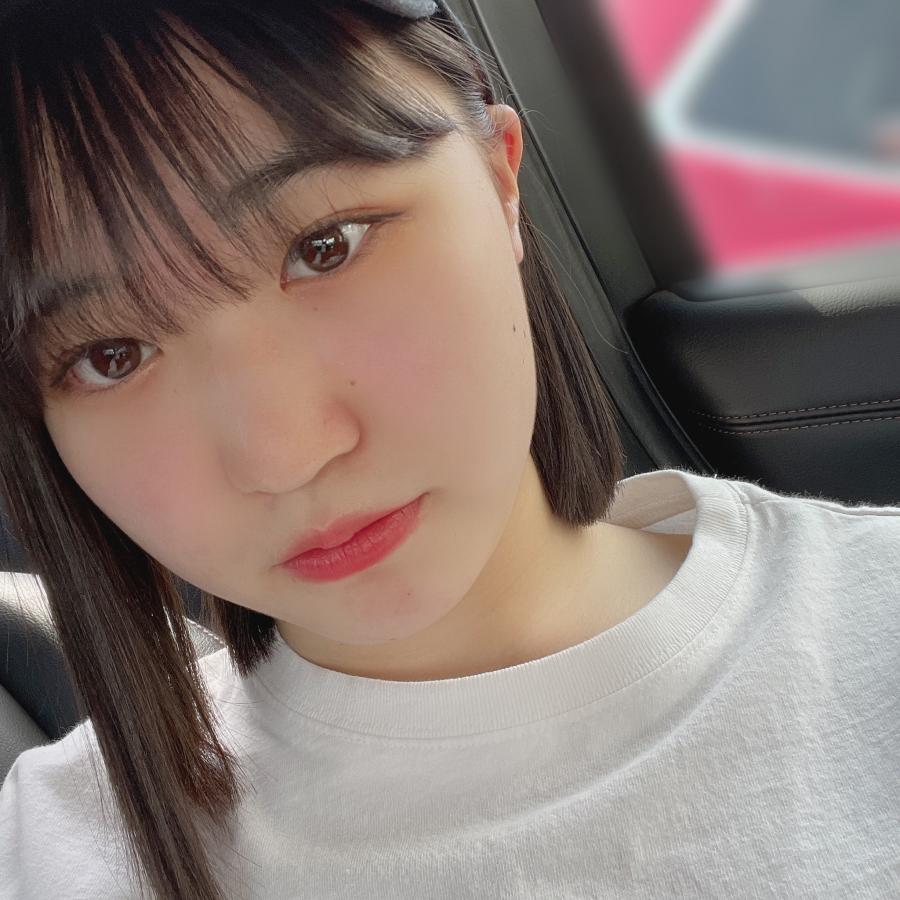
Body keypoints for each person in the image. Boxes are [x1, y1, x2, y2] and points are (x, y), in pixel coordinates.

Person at [0, 1, 897, 898]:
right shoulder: (56, 851)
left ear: (502, 178)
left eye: (325, 247)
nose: (285, 456)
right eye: (110, 356)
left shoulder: (874, 618)